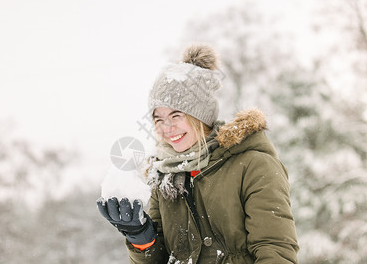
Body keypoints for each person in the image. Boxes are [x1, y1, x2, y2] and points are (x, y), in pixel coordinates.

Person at [97, 44, 299, 263]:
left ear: (200, 116)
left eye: (176, 115)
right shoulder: (164, 175)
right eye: (158, 119)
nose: (167, 128)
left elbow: (275, 250)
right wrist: (142, 238)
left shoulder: (253, 165)